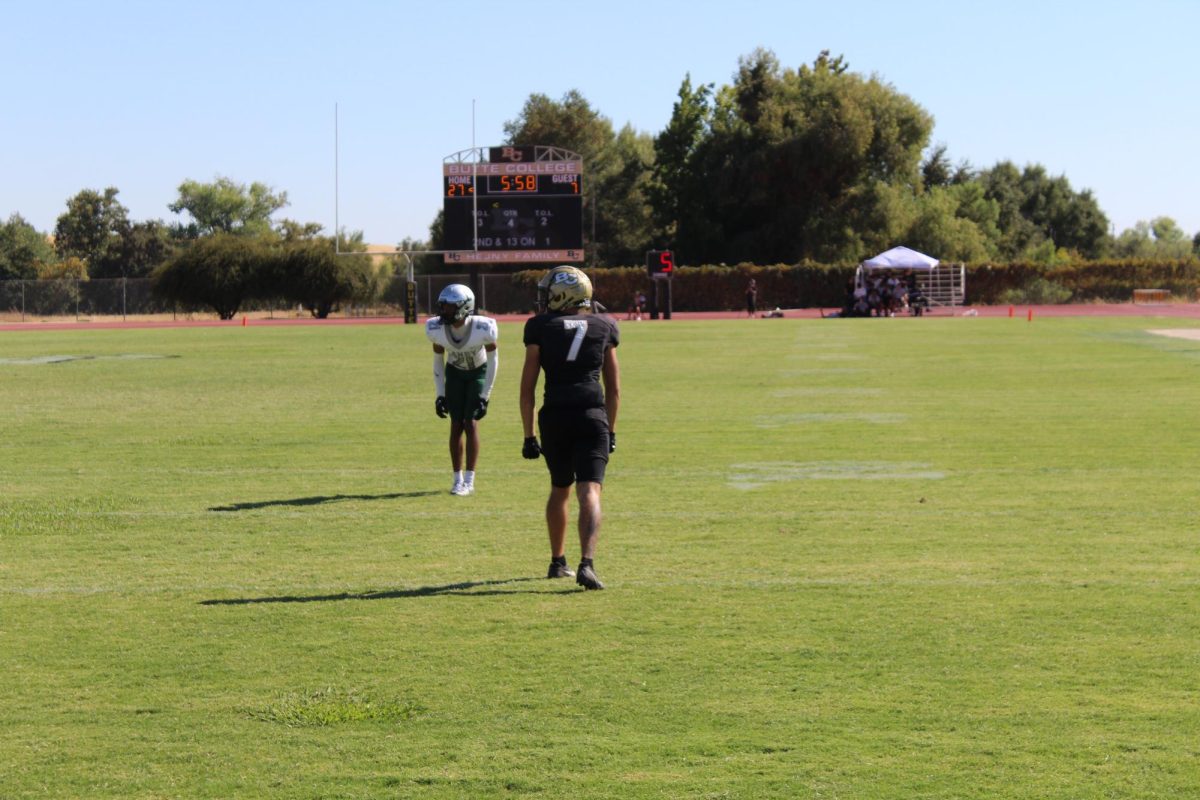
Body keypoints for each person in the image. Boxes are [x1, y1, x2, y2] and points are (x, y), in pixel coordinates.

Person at [520, 266, 620, 590]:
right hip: (592, 414)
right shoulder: (605, 326)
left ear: (563, 294)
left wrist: (529, 434)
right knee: (589, 490)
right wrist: (612, 429)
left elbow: (527, 389)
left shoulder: (539, 327)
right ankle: (587, 562)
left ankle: (557, 561)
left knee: (560, 487)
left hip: (555, 416)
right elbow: (614, 388)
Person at [426, 283, 498, 496]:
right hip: (455, 373)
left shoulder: (484, 328)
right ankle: (457, 479)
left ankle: (470, 480)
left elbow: (494, 360)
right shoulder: (436, 329)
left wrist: (486, 395)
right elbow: (438, 360)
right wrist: (440, 394)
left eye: (449, 306)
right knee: (455, 424)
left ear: (465, 307)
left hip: (478, 371)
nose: (444, 310)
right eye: (443, 306)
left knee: (471, 423)